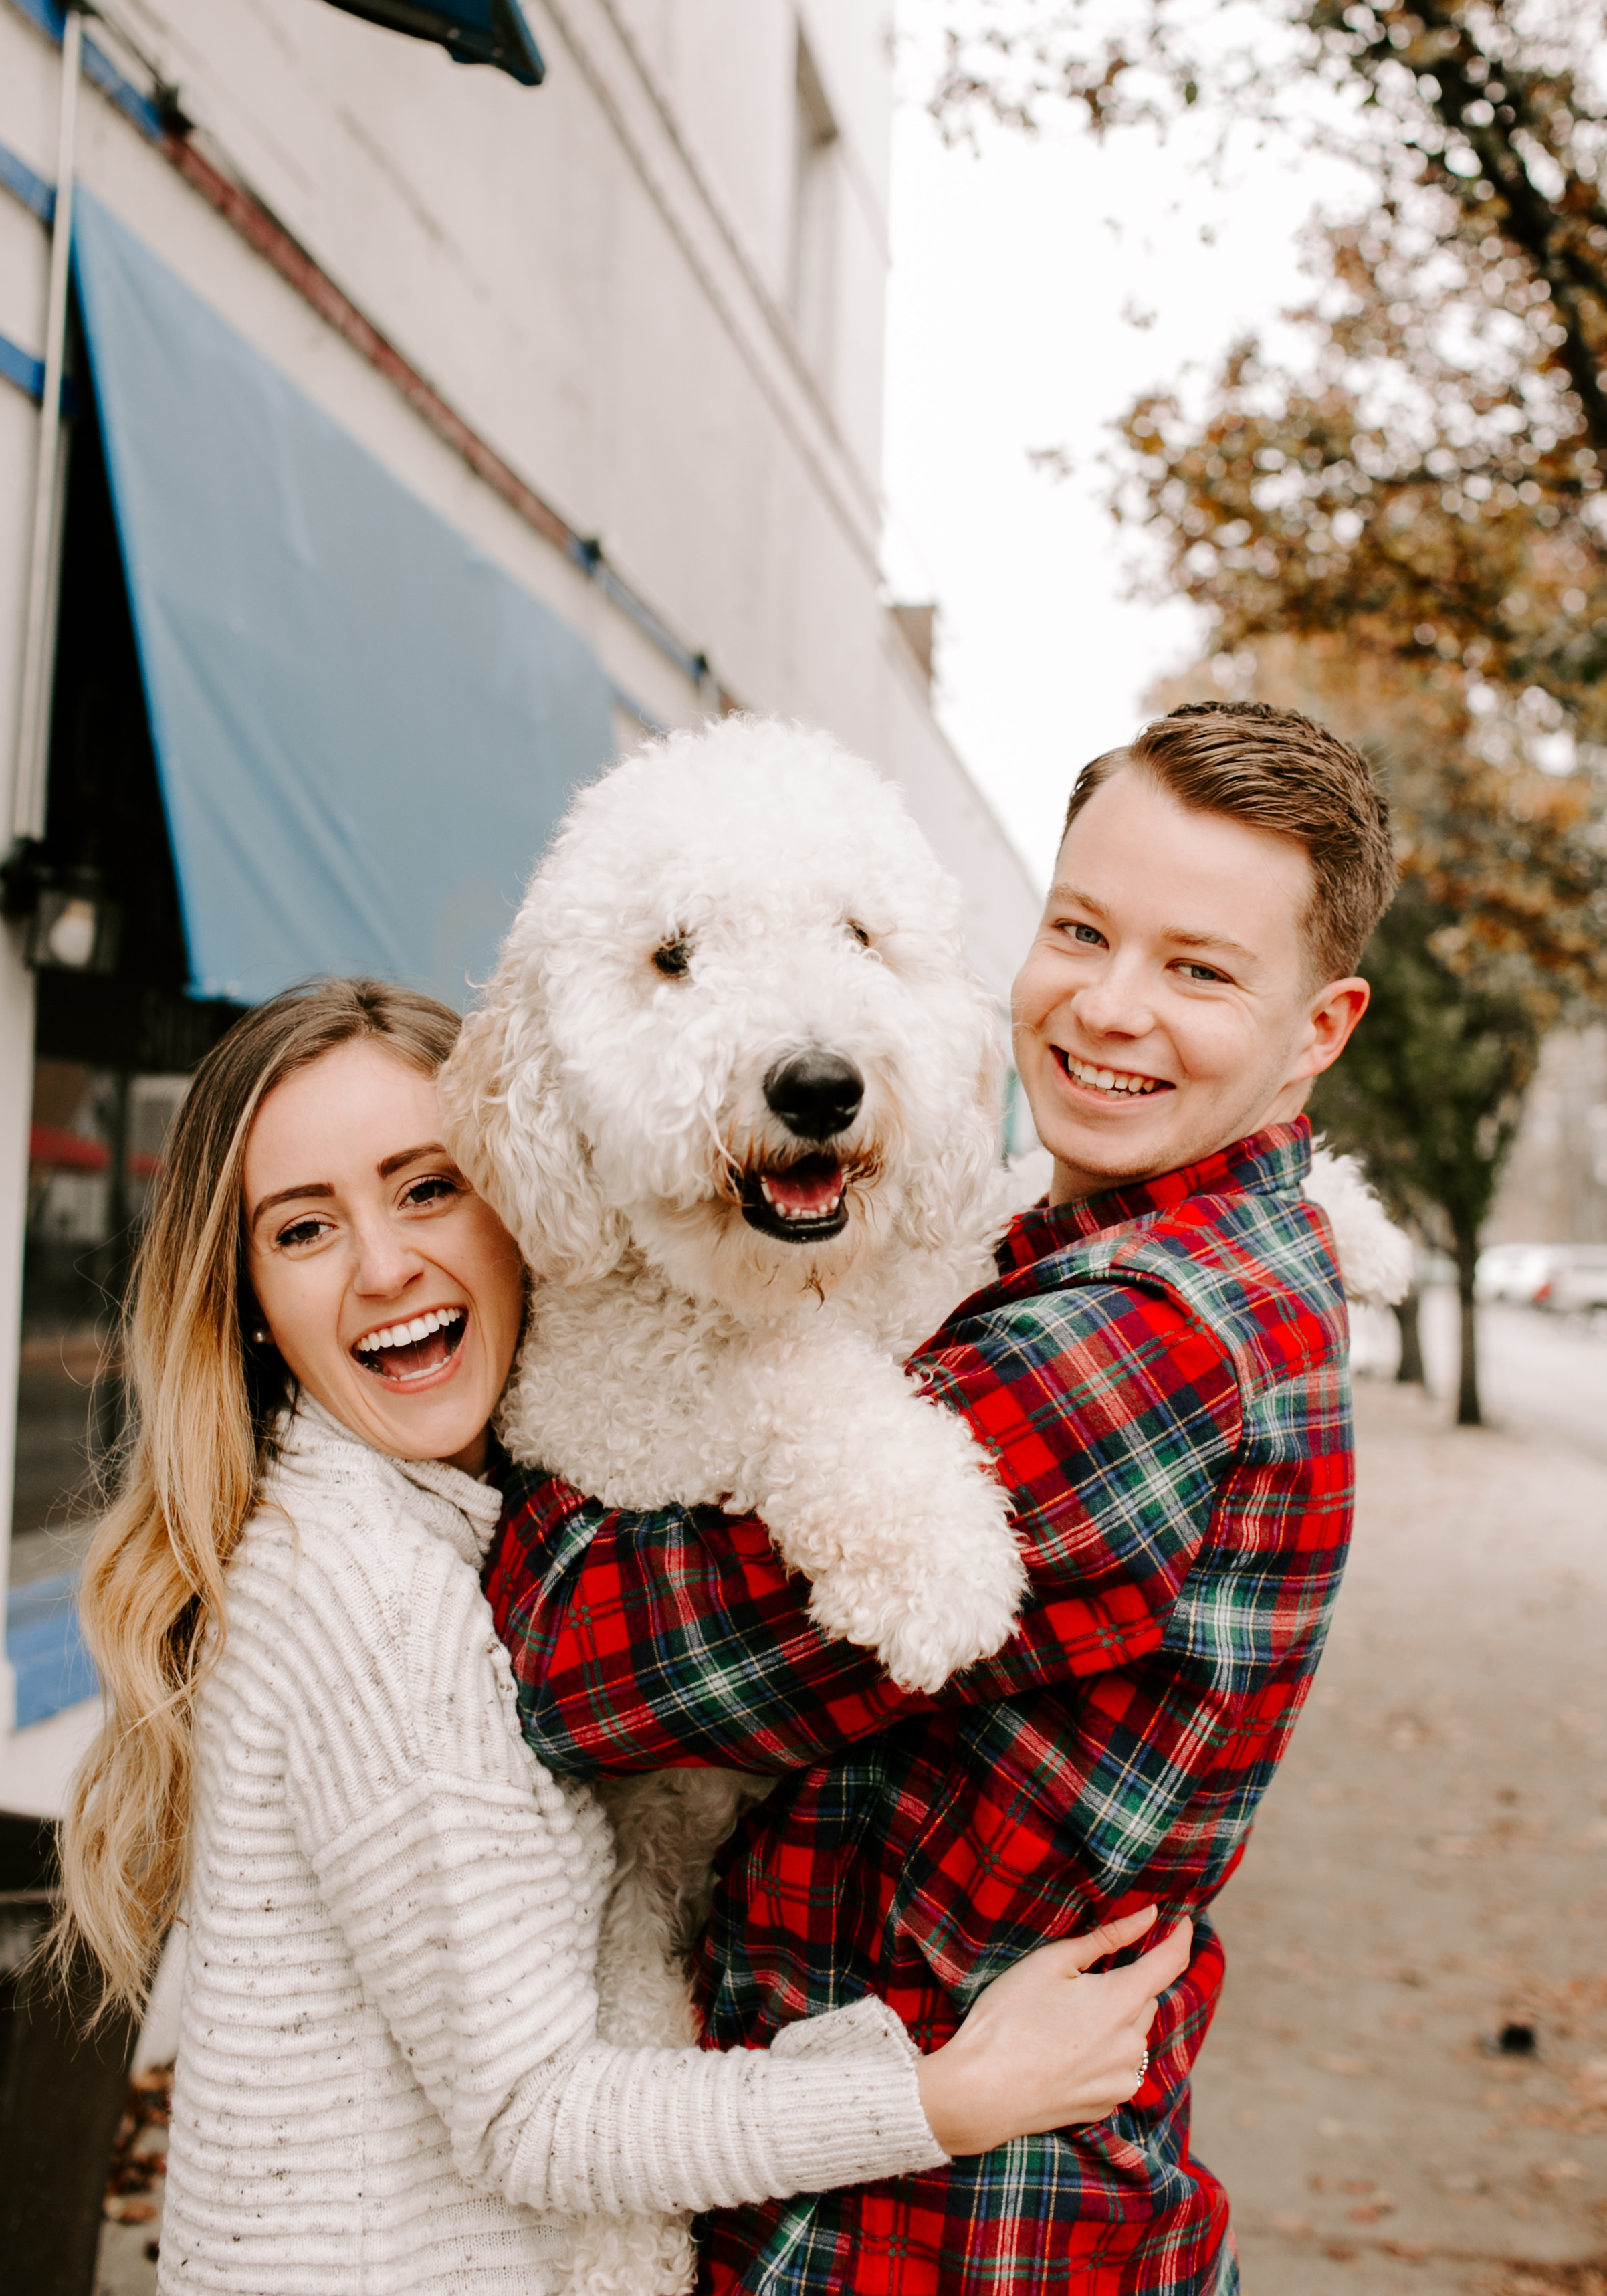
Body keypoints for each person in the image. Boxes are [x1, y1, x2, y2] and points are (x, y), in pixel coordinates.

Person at [53, 977, 1190, 2296]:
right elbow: (535, 2118)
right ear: (249, 1296)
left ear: (528, 1198)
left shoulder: (463, 1530)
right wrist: (948, 2095)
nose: (382, 1266)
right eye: (304, 1229)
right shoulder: (365, 1596)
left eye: (427, 1189)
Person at [486, 700, 1398, 2295]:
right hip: (925, 2182)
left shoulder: (1141, 1343)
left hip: (929, 2238)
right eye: (1080, 930)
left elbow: (585, 1672)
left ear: (1318, 1029)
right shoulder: (1119, 1249)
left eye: (1197, 969)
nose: (1109, 1008)